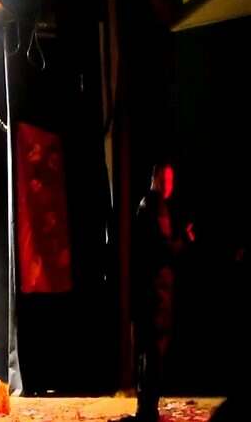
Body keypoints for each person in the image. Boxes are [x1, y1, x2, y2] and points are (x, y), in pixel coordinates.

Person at [113, 163, 194, 422]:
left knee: (149, 353)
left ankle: (147, 409)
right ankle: (147, 410)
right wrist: (184, 240)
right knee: (152, 354)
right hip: (155, 294)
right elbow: (161, 249)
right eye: (167, 180)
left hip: (152, 293)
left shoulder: (149, 206)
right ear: (158, 179)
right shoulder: (153, 207)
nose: (171, 186)